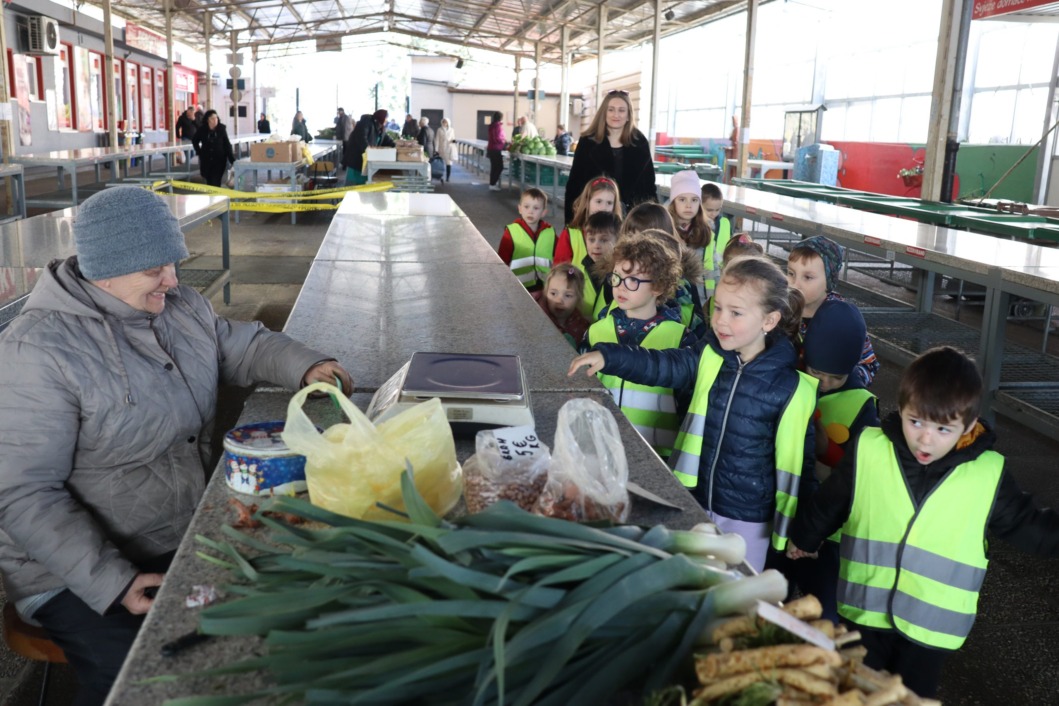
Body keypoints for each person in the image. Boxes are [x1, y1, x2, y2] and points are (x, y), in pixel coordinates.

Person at [0, 186, 353, 706]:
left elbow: (245, 346)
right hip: (71, 570)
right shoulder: (39, 350)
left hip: (175, 526)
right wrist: (114, 583)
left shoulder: (179, 306)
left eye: (173, 263)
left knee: (274, 633)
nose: (173, 279)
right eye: (154, 269)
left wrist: (306, 365)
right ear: (104, 269)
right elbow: (22, 495)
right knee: (154, 683)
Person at [787, 346, 1059, 698]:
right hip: (864, 611)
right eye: (915, 421)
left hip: (930, 633)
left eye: (944, 429)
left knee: (912, 698)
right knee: (855, 694)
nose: (925, 439)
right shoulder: (870, 448)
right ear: (901, 409)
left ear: (969, 426)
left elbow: (1029, 526)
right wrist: (804, 538)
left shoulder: (987, 475)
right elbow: (831, 502)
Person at [570, 254, 816, 572]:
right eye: (718, 308)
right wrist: (610, 356)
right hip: (694, 497)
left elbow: (802, 468)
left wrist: (804, 533)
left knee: (734, 590)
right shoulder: (709, 356)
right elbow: (663, 364)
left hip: (749, 518)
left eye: (736, 312)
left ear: (769, 321)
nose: (721, 320)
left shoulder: (791, 388)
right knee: (689, 580)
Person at [786, 298, 879, 624]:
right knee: (769, 597)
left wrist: (825, 452)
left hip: (828, 532)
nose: (823, 384)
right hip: (782, 511)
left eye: (835, 378)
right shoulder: (790, 381)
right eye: (816, 372)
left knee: (824, 612)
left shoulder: (862, 406)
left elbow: (860, 475)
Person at [582, 230, 694, 459]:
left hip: (657, 454)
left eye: (633, 280)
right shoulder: (596, 332)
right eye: (616, 277)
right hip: (602, 445)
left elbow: (687, 407)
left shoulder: (680, 338)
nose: (621, 286)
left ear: (659, 286)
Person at [786, 236, 879, 386]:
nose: (795, 284)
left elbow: (869, 364)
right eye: (791, 273)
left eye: (808, 277)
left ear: (829, 282)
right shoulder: (781, 310)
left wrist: (840, 383)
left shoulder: (843, 319)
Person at [564, 90, 656, 223]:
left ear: (629, 115)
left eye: (621, 110)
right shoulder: (587, 142)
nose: (616, 115)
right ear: (604, 113)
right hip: (593, 218)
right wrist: (570, 222)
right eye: (611, 109)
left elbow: (648, 187)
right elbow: (574, 184)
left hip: (631, 220)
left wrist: (649, 222)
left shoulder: (640, 144)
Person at [620, 202, 707, 342]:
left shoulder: (684, 283)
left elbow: (699, 329)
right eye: (631, 239)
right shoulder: (617, 277)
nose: (636, 249)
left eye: (644, 242)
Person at [553, 176, 623, 265]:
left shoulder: (620, 235)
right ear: (586, 202)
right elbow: (559, 271)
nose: (603, 208)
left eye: (609, 203)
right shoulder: (569, 235)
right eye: (598, 201)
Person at [666, 170, 713, 303]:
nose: (688, 205)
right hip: (673, 299)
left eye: (694, 200)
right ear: (673, 202)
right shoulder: (665, 230)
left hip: (701, 298)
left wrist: (712, 297)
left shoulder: (705, 231)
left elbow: (712, 268)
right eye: (682, 199)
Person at [497, 187, 554, 291]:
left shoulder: (550, 233)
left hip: (545, 288)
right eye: (526, 207)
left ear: (543, 212)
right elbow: (502, 260)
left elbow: (560, 258)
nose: (530, 212)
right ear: (520, 209)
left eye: (536, 208)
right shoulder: (511, 232)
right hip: (518, 287)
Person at [575, 211, 621, 322]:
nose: (596, 245)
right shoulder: (579, 271)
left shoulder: (619, 275)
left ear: (618, 241)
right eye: (591, 240)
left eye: (604, 240)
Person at [532, 264, 590, 350]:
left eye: (568, 295)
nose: (559, 301)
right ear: (546, 292)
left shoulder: (582, 325)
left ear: (578, 298)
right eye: (553, 293)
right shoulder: (534, 316)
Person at [702, 183, 734, 304]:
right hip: (703, 279)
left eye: (718, 209)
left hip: (722, 276)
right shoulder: (698, 227)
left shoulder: (725, 223)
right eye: (709, 210)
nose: (714, 213)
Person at [344, 110, 395, 186]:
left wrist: (397, 146)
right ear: (381, 118)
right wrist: (369, 150)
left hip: (366, 162)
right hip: (356, 159)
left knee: (363, 189)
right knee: (351, 188)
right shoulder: (366, 123)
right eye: (386, 119)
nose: (386, 121)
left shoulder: (381, 128)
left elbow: (387, 140)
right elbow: (361, 138)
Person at [191, 109, 235, 188]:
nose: (215, 120)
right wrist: (199, 152)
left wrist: (232, 159)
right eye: (213, 118)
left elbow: (227, 144)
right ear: (208, 120)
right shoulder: (202, 130)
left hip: (219, 159)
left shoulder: (221, 129)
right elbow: (195, 141)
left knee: (216, 181)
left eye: (216, 118)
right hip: (206, 160)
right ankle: (211, 198)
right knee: (209, 181)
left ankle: (216, 197)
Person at [486, 110, 506, 191]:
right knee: (499, 167)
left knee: (494, 167)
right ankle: (493, 184)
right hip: (496, 149)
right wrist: (503, 141)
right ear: (500, 118)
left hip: (492, 148)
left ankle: (492, 183)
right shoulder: (497, 126)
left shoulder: (492, 125)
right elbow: (497, 138)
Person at [435, 118, 456, 182]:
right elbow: (437, 139)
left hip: (449, 148)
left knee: (448, 163)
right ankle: (441, 176)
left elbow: (453, 138)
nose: (444, 123)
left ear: (448, 123)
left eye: (446, 122)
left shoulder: (452, 130)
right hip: (441, 148)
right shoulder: (439, 130)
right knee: (441, 163)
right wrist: (436, 149)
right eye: (443, 122)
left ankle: (448, 177)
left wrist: (452, 142)